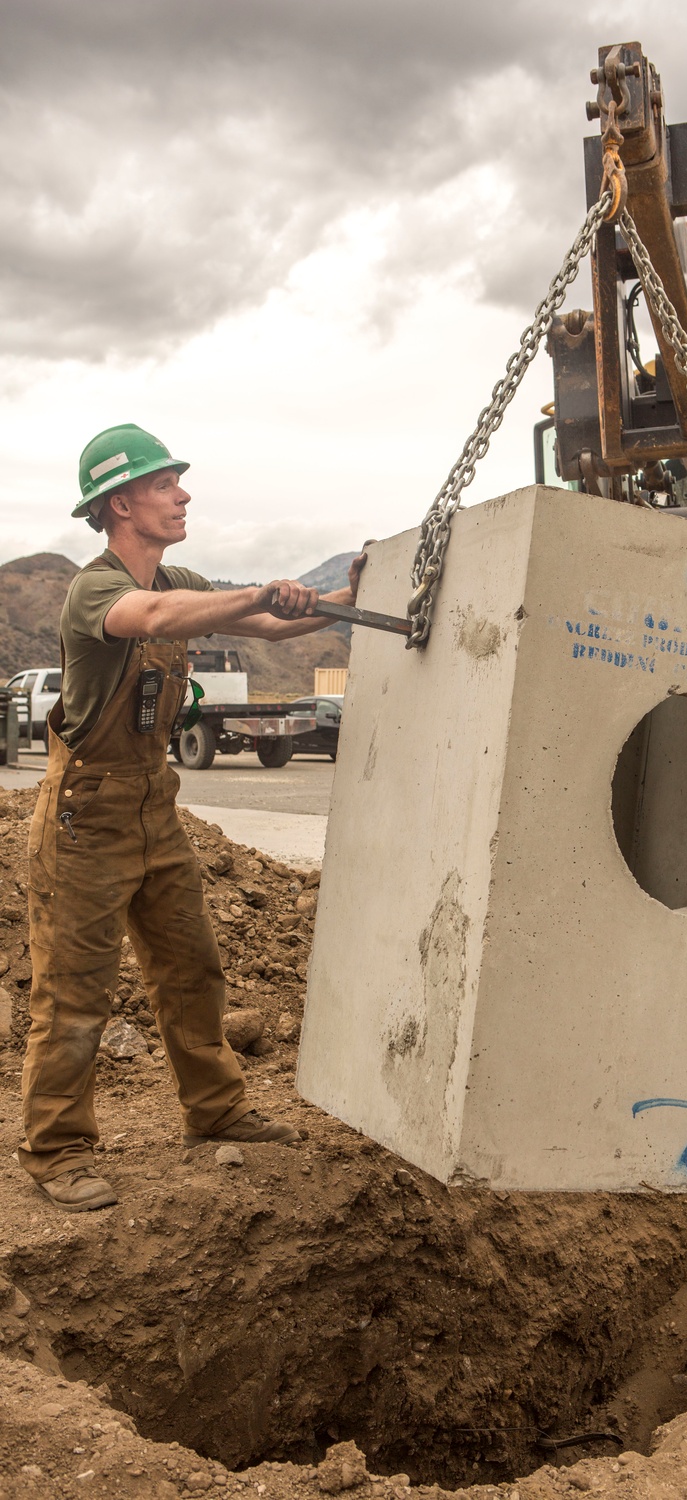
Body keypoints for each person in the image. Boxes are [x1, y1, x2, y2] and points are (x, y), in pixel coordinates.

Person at [20, 423, 366, 1212]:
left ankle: (215, 1110)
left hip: (153, 804)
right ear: (119, 503)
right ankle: (55, 1149)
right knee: (75, 994)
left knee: (192, 970)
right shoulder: (96, 591)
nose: (182, 493)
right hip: (85, 818)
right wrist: (256, 590)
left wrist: (345, 596)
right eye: (163, 484)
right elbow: (158, 617)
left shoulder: (182, 575)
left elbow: (273, 625)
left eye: (178, 481)